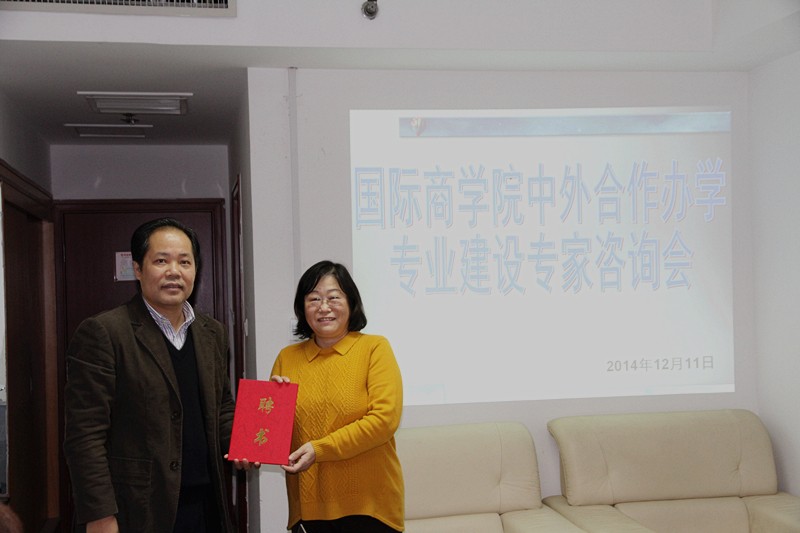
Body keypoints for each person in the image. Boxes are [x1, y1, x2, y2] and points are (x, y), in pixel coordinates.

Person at [64, 218, 258, 533]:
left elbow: (221, 406)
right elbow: (84, 435)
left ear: (196, 270)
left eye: (185, 262)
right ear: (138, 269)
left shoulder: (212, 333)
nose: (174, 271)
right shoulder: (104, 332)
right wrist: (99, 514)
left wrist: (250, 439)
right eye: (161, 261)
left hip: (206, 503)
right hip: (136, 508)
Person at [271, 261, 404, 533]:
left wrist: (321, 449)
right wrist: (271, 412)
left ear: (351, 303)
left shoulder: (374, 348)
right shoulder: (287, 358)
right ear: (302, 308)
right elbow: (274, 438)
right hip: (308, 510)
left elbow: (384, 420)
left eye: (334, 297)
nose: (324, 307)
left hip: (370, 508)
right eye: (314, 299)